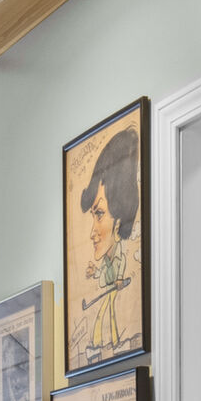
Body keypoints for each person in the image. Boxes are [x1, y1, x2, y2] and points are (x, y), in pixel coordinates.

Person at [75, 128, 141, 365]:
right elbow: (105, 273)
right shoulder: (106, 260)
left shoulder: (119, 254)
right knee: (104, 312)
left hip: (115, 289)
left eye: (99, 214)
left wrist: (119, 280)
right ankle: (99, 344)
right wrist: (97, 273)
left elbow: (119, 267)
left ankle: (110, 342)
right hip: (111, 290)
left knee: (109, 313)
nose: (92, 232)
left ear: (120, 218)